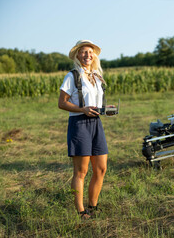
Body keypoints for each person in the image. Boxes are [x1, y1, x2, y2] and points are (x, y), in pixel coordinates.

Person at [58, 40, 108, 219]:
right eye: (84, 52)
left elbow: (94, 101)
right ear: (78, 55)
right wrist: (82, 109)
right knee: (81, 172)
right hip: (79, 124)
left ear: (94, 56)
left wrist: (103, 108)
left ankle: (93, 206)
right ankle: (80, 211)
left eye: (90, 52)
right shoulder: (72, 76)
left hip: (96, 123)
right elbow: (62, 103)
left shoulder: (96, 76)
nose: (88, 55)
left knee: (101, 169)